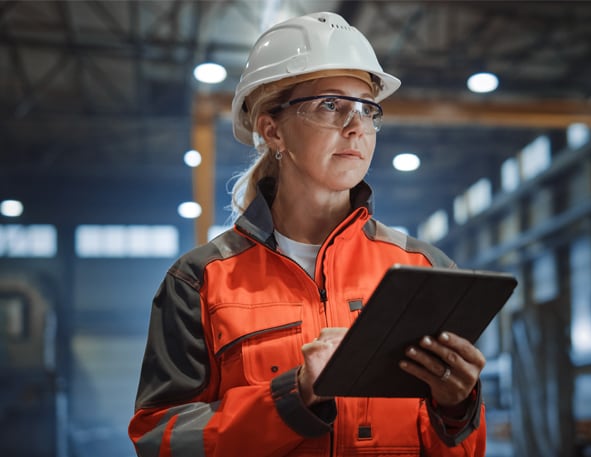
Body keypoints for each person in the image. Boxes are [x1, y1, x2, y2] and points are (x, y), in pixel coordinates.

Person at [128, 11, 487, 457]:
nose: (356, 126)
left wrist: (456, 409)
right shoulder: (199, 283)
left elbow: (461, 448)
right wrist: (293, 396)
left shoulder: (426, 270)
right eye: (330, 105)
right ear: (272, 129)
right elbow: (159, 441)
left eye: (367, 109)